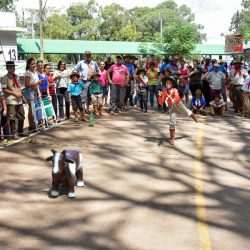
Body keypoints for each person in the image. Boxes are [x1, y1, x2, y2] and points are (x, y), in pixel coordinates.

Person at [158, 77, 198, 145]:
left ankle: (192, 115)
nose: (167, 84)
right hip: (172, 108)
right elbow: (161, 102)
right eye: (166, 83)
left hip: (179, 105)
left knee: (187, 113)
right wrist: (160, 96)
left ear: (172, 84)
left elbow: (177, 96)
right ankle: (172, 138)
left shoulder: (175, 90)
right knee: (172, 123)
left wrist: (174, 100)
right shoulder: (164, 92)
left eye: (169, 83)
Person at [1, 61, 27, 140]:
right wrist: (14, 93)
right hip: (11, 100)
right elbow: (4, 89)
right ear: (7, 68)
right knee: (12, 117)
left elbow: (18, 86)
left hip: (19, 99)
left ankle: (21, 131)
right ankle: (13, 134)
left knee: (21, 115)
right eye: (11, 67)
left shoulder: (17, 76)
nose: (12, 69)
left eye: (13, 67)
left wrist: (20, 93)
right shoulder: (5, 78)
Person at [23, 57, 43, 131]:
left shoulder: (35, 72)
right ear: (28, 65)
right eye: (32, 64)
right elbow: (27, 84)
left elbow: (37, 84)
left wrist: (38, 92)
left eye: (34, 63)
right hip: (29, 91)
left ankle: (35, 123)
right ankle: (31, 125)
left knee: (35, 108)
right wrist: (37, 83)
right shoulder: (27, 72)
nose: (34, 65)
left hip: (34, 91)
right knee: (31, 109)